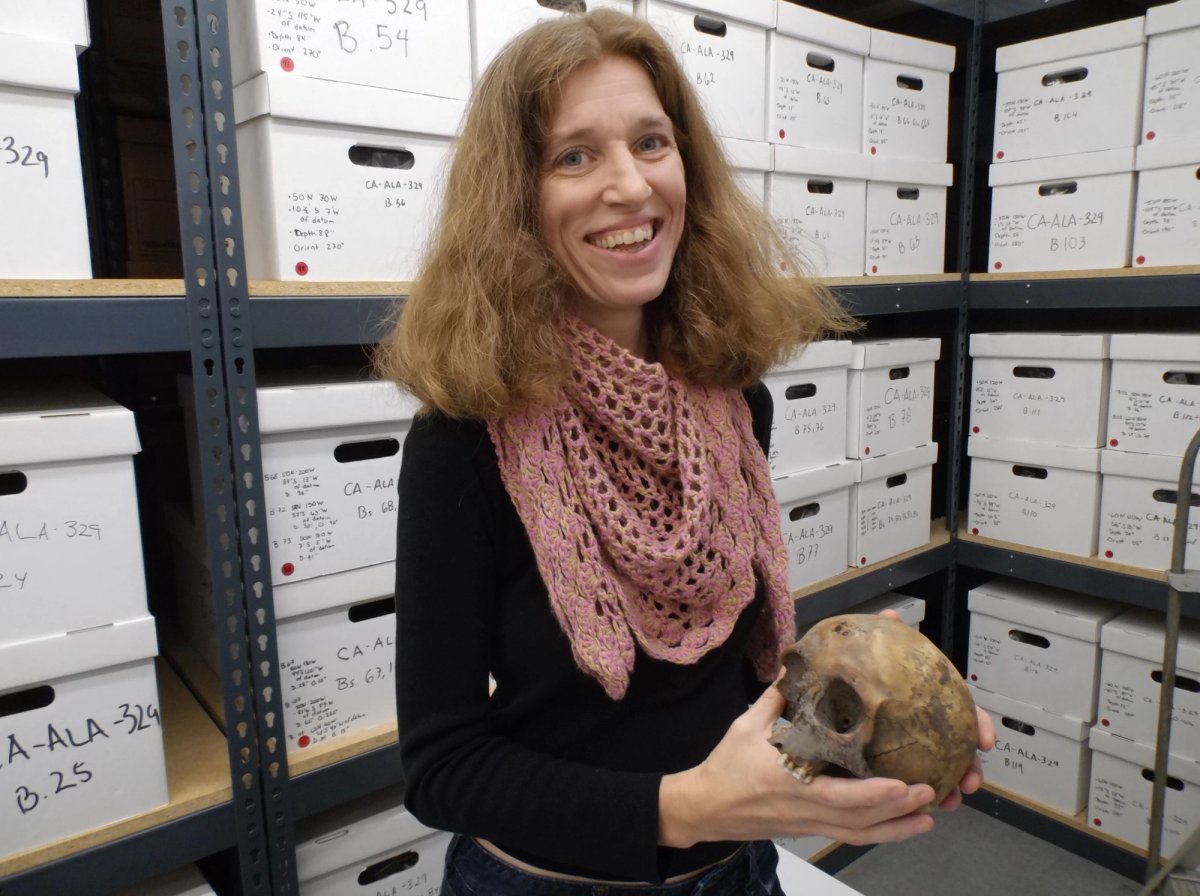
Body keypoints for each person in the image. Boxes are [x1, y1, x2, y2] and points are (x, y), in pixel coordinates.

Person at [374, 9, 994, 894]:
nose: (629, 186)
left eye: (651, 142)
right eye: (574, 156)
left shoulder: (736, 404)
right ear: (514, 198)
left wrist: (872, 701)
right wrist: (690, 807)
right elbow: (441, 768)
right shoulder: (461, 442)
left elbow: (723, 686)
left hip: (741, 872)